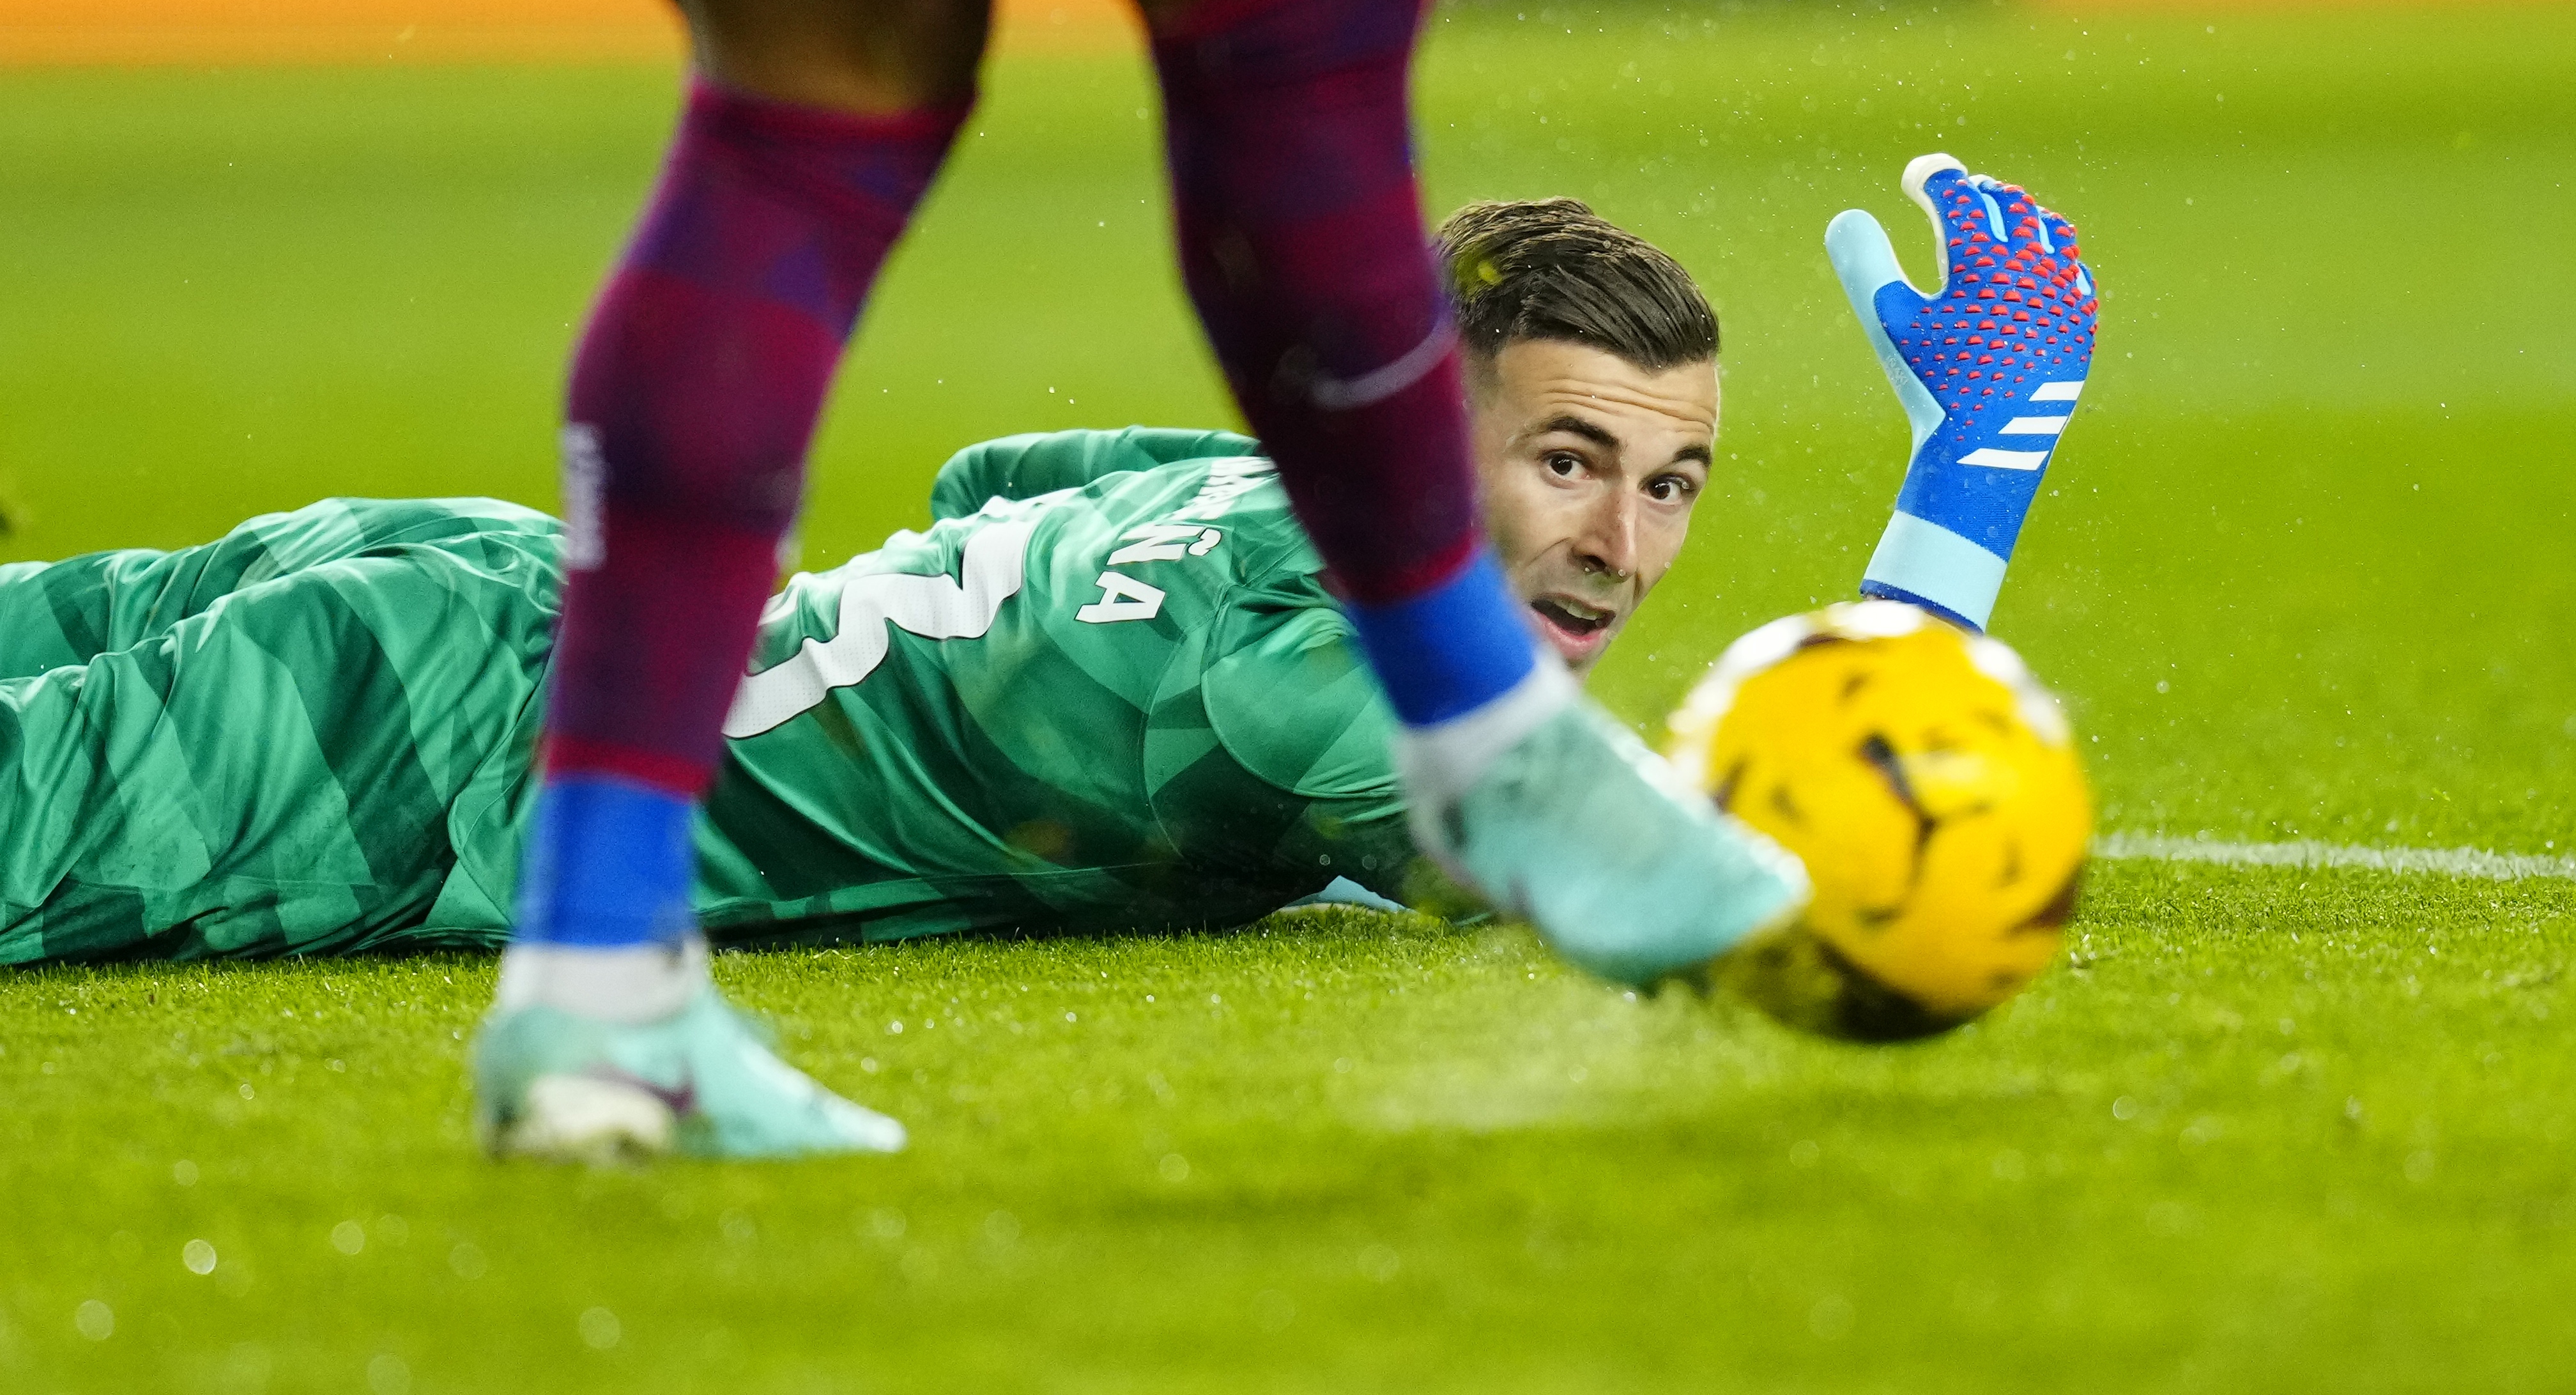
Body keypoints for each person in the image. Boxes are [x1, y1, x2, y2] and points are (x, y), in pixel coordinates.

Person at [0, 166, 2099, 1159]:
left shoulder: (1225, 486)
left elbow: (997, 477)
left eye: (1673, 480)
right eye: (1566, 459)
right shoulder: (1292, 672)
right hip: (400, 746)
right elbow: (1679, 859)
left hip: (477, 588)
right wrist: (1964, 505)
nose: (1622, 545)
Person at [474, 0, 1798, 1159]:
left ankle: (599, 979)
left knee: (831, 58)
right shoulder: (1258, 662)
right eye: (1569, 460)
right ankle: (1490, 736)